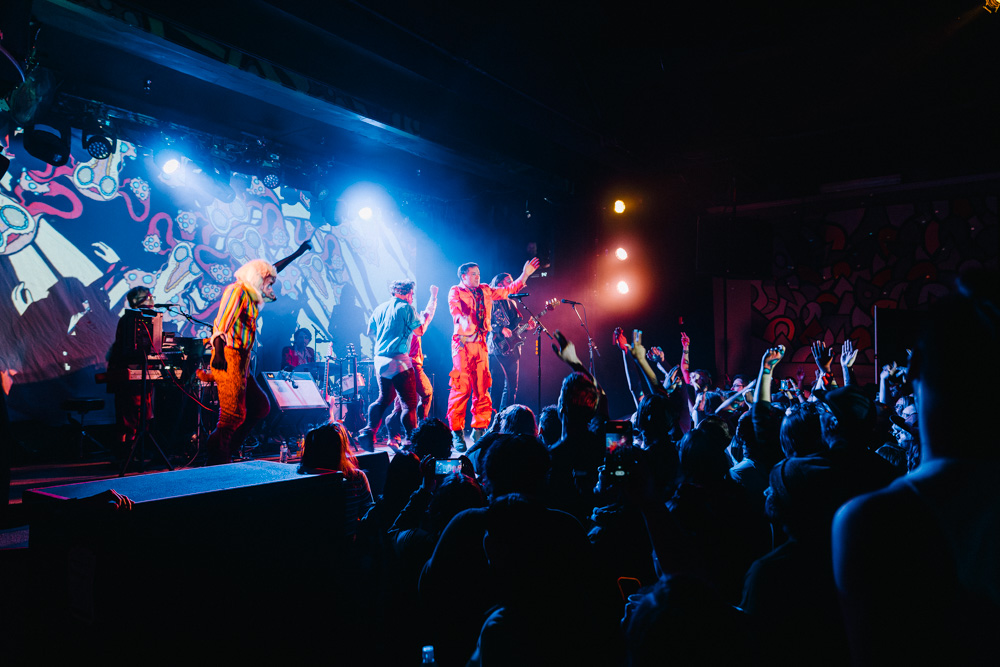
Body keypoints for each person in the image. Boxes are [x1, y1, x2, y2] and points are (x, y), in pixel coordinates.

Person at [199, 240, 310, 465]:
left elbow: (274, 268)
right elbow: (221, 323)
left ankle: (227, 450)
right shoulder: (238, 290)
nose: (271, 286)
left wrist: (297, 253)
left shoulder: (252, 294)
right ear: (258, 279)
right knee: (232, 415)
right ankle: (216, 459)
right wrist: (219, 354)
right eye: (268, 282)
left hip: (242, 360)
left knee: (260, 406)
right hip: (228, 355)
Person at [446, 257, 539, 451]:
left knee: (482, 387)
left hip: (480, 344)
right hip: (462, 344)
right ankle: (456, 432)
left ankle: (479, 429)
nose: (478, 277)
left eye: (479, 274)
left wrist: (525, 274)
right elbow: (456, 312)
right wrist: (467, 324)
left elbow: (508, 290)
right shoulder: (456, 291)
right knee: (461, 388)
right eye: (473, 274)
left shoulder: (486, 290)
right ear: (463, 276)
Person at [357, 280, 437, 450]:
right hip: (399, 359)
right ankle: (410, 440)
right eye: (412, 294)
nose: (412, 297)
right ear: (407, 293)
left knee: (383, 398)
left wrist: (384, 342)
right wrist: (426, 319)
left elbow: (370, 332)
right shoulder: (407, 308)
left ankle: (368, 431)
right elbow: (420, 331)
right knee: (409, 403)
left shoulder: (379, 308)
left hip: (380, 359)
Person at [106, 286, 157, 462]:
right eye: (149, 297)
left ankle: (138, 452)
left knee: (144, 413)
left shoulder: (150, 318)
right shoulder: (130, 320)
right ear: (140, 300)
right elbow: (127, 349)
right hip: (127, 374)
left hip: (142, 372)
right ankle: (126, 454)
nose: (152, 301)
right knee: (129, 416)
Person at [487, 272, 536, 415]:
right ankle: (493, 423)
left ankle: (507, 418)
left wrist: (527, 327)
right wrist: (500, 328)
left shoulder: (512, 302)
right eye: (508, 281)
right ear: (500, 283)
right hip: (496, 348)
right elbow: (486, 322)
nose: (512, 283)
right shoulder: (491, 300)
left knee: (511, 387)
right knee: (496, 386)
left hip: (512, 349)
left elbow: (515, 329)